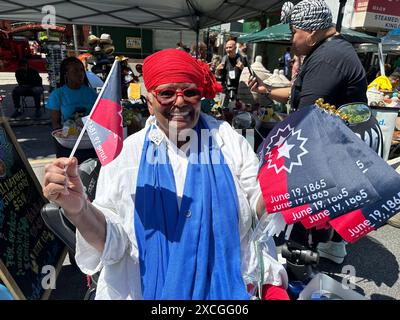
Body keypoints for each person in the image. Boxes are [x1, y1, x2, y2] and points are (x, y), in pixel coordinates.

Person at [42, 48, 289, 300]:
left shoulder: (228, 141)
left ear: (199, 98)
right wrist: (79, 210)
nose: (179, 102)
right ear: (149, 102)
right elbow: (114, 245)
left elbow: (257, 216)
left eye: (189, 93)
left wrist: (277, 190)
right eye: (167, 94)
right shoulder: (127, 156)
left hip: (225, 288)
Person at [249, 0, 368, 264]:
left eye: (294, 32)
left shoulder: (328, 58)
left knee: (307, 197)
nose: (292, 39)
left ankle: (298, 256)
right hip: (336, 141)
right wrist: (265, 90)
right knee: (324, 200)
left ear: (311, 32)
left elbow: (305, 118)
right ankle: (328, 246)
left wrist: (276, 155)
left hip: (327, 144)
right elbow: (296, 94)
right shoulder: (332, 50)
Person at [46, 57, 98, 162]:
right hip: (68, 144)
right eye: (75, 71)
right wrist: (65, 140)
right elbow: (56, 125)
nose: (80, 74)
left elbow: (98, 117)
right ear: (66, 74)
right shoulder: (57, 95)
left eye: (81, 70)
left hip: (90, 141)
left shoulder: (91, 93)